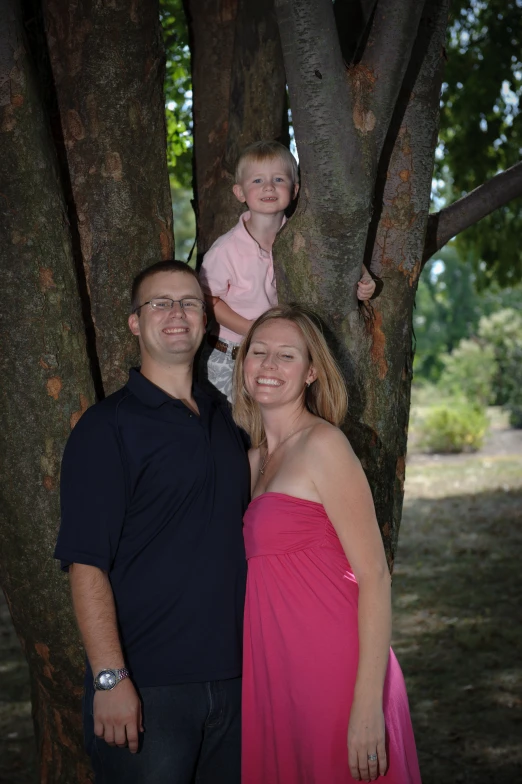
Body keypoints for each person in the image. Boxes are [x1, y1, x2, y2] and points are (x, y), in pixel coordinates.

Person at [54, 260, 249, 784]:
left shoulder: (227, 419)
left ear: (206, 321)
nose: (176, 314)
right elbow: (85, 563)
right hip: (146, 690)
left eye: (188, 302)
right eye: (158, 303)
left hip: (238, 684)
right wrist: (109, 678)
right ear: (135, 323)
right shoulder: (107, 427)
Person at [233, 305, 421, 784]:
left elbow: (375, 577)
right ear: (243, 362)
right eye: (259, 352)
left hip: (337, 669)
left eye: (287, 355)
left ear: (312, 372)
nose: (269, 365)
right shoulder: (251, 460)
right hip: (277, 670)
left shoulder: (323, 445)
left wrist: (365, 708)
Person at [199, 141, 378, 401]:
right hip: (231, 354)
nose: (269, 186)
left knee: (270, 423)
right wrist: (251, 328)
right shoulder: (226, 250)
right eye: (257, 180)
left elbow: (337, 255)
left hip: (277, 355)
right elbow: (207, 299)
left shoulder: (299, 235)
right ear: (240, 192)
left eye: (279, 179)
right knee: (230, 427)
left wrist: (364, 278)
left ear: (294, 190)